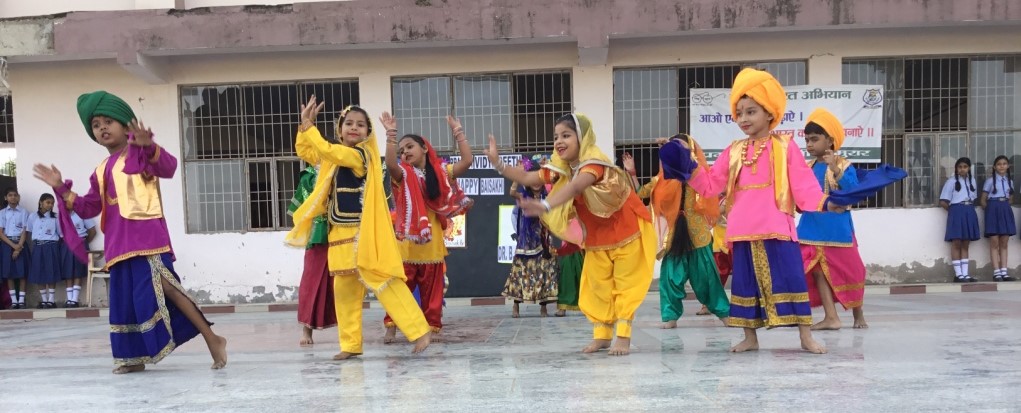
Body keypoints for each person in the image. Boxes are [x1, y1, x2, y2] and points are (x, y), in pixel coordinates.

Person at [33, 90, 227, 373]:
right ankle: (133, 358)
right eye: (96, 125)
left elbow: (169, 167)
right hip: (117, 245)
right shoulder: (100, 170)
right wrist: (61, 187)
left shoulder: (139, 155)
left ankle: (213, 339)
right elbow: (87, 208)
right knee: (124, 301)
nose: (102, 128)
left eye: (108, 121)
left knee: (170, 291)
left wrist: (149, 146)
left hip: (148, 240)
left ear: (126, 125)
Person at [659, 68, 848, 354]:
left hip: (777, 228)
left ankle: (805, 337)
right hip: (742, 229)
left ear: (770, 113)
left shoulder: (784, 147)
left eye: (751, 112)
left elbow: (803, 184)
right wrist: (686, 163)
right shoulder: (733, 150)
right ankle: (750, 337)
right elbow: (711, 186)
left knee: (792, 279)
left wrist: (825, 203)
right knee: (744, 284)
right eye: (739, 113)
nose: (743, 119)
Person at [486, 113, 656, 356]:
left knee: (624, 286)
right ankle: (602, 336)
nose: (558, 141)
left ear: (582, 138)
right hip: (597, 238)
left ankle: (624, 337)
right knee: (597, 286)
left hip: (625, 232)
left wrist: (545, 206)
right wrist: (498, 163)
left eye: (566, 135)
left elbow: (576, 186)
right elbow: (527, 177)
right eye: (556, 137)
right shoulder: (562, 168)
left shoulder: (594, 162)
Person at [285, 97, 432, 359]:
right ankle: (351, 345)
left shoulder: (360, 155)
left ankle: (420, 330)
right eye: (349, 123)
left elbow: (330, 151)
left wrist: (310, 126)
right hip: (338, 233)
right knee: (344, 291)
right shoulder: (332, 159)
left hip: (362, 234)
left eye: (361, 125)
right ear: (339, 128)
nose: (354, 128)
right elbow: (306, 152)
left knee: (384, 282)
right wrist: (303, 126)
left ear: (367, 132)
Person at [382, 113, 474, 341]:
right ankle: (391, 326)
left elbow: (467, 162)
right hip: (406, 248)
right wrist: (390, 135)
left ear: (424, 148)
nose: (405, 152)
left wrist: (458, 131)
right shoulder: (402, 175)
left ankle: (430, 328)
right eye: (402, 150)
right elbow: (391, 163)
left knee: (432, 294)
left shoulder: (441, 174)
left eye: (410, 146)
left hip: (432, 247)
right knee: (399, 290)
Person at [797, 108, 868, 330]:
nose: (809, 144)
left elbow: (853, 192)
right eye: (807, 139)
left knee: (850, 271)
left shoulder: (844, 165)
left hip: (837, 229)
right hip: (811, 227)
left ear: (830, 140)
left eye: (815, 139)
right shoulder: (807, 167)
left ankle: (858, 314)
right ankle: (831, 317)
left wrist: (834, 168)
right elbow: (803, 197)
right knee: (817, 271)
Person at [940, 157, 980, 283]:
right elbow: (943, 201)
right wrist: (953, 212)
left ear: (969, 168)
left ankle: (965, 274)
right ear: (956, 169)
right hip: (957, 210)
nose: (962, 169)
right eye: (960, 167)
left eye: (965, 167)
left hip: (969, 210)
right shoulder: (951, 181)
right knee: (956, 242)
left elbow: (973, 198)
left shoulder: (972, 180)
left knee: (965, 243)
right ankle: (958, 275)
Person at [979, 155, 1016, 282]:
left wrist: (1004, 207)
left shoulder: (1010, 181)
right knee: (994, 242)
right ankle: (996, 272)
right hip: (993, 209)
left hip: (1004, 208)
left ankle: (1004, 272)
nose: (1002, 166)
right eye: (999, 164)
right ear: (994, 167)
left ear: (1008, 166)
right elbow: (983, 200)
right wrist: (990, 211)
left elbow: (1011, 199)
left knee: (1004, 242)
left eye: (1004, 164)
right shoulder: (989, 181)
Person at [27, 194, 61, 309]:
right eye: (48, 202)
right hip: (37, 247)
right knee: (38, 272)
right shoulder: (32, 217)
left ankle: (51, 300)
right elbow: (30, 231)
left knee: (51, 271)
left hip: (51, 246)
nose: (50, 205)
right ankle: (44, 300)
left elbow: (61, 234)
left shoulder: (56, 217)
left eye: (52, 203)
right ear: (41, 202)